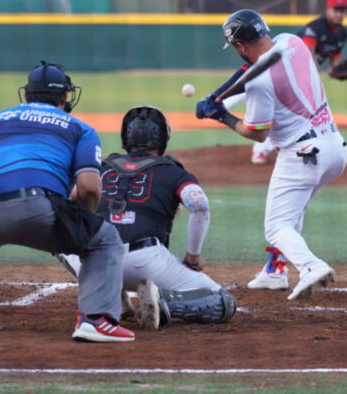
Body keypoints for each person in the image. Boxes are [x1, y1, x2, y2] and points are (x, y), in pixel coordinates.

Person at [0, 61, 135, 343]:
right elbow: (89, 188)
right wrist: (79, 226)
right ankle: (95, 320)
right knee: (104, 240)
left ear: (26, 95)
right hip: (35, 210)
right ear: (65, 97)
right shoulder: (80, 128)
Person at [196, 9, 347, 300]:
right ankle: (275, 272)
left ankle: (310, 266)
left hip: (301, 155)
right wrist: (218, 97)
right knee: (291, 213)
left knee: (277, 226)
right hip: (335, 148)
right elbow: (250, 72)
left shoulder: (259, 84)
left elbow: (257, 133)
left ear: (240, 46)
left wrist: (222, 117)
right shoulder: (293, 41)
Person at [61, 106, 236, 330]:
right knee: (223, 301)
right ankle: (167, 304)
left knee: (64, 236)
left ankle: (113, 297)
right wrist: (193, 257)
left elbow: (71, 199)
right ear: (164, 137)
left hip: (96, 260)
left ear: (125, 136)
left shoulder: (101, 167)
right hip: (147, 264)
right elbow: (200, 206)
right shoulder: (174, 171)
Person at [248, 0, 347, 165]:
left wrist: (334, 71)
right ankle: (260, 150)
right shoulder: (316, 27)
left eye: (343, 10)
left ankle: (268, 149)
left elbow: (334, 58)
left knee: (297, 115)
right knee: (287, 113)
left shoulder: (343, 34)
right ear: (328, 10)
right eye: (336, 10)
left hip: (304, 77)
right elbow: (309, 52)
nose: (339, 13)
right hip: (284, 70)